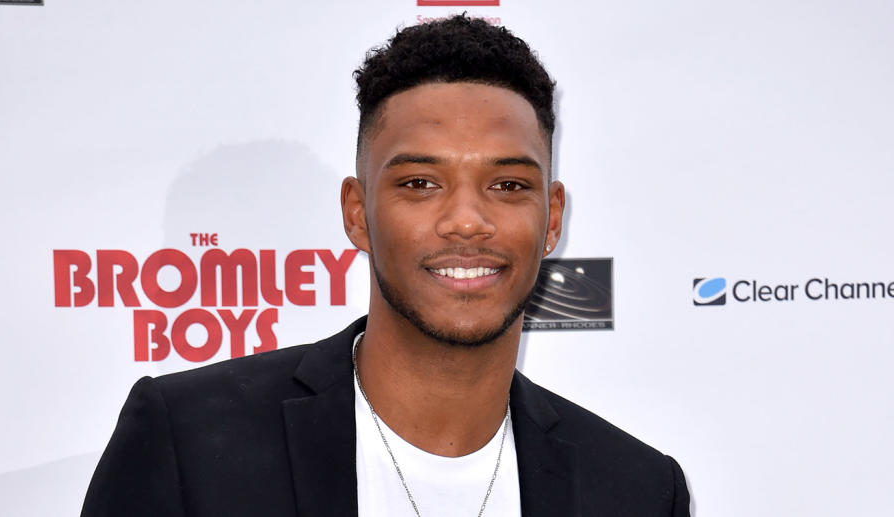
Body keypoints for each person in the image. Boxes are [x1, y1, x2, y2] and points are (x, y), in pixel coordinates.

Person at [81, 15, 690, 517]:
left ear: (552, 218)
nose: (467, 220)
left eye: (507, 185)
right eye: (421, 183)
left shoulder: (637, 490)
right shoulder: (188, 441)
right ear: (357, 213)